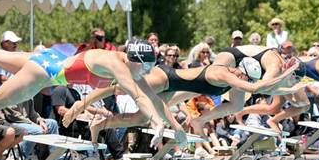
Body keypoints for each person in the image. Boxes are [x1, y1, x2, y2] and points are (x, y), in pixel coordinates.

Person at [0, 35, 175, 157]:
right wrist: (155, 121)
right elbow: (138, 95)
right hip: (45, 72)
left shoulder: (128, 65)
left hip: (48, 59)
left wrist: (160, 121)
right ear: (135, 60)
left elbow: (148, 94)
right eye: (145, 67)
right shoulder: (116, 65)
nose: (146, 72)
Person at [62, 54, 299, 142]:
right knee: (118, 87)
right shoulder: (223, 72)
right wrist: (286, 74)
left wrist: (288, 90)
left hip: (173, 89)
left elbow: (261, 88)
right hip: (165, 77)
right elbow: (256, 85)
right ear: (241, 69)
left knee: (140, 118)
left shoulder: (232, 80)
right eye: (240, 73)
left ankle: (101, 125)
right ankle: (78, 105)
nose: (238, 75)